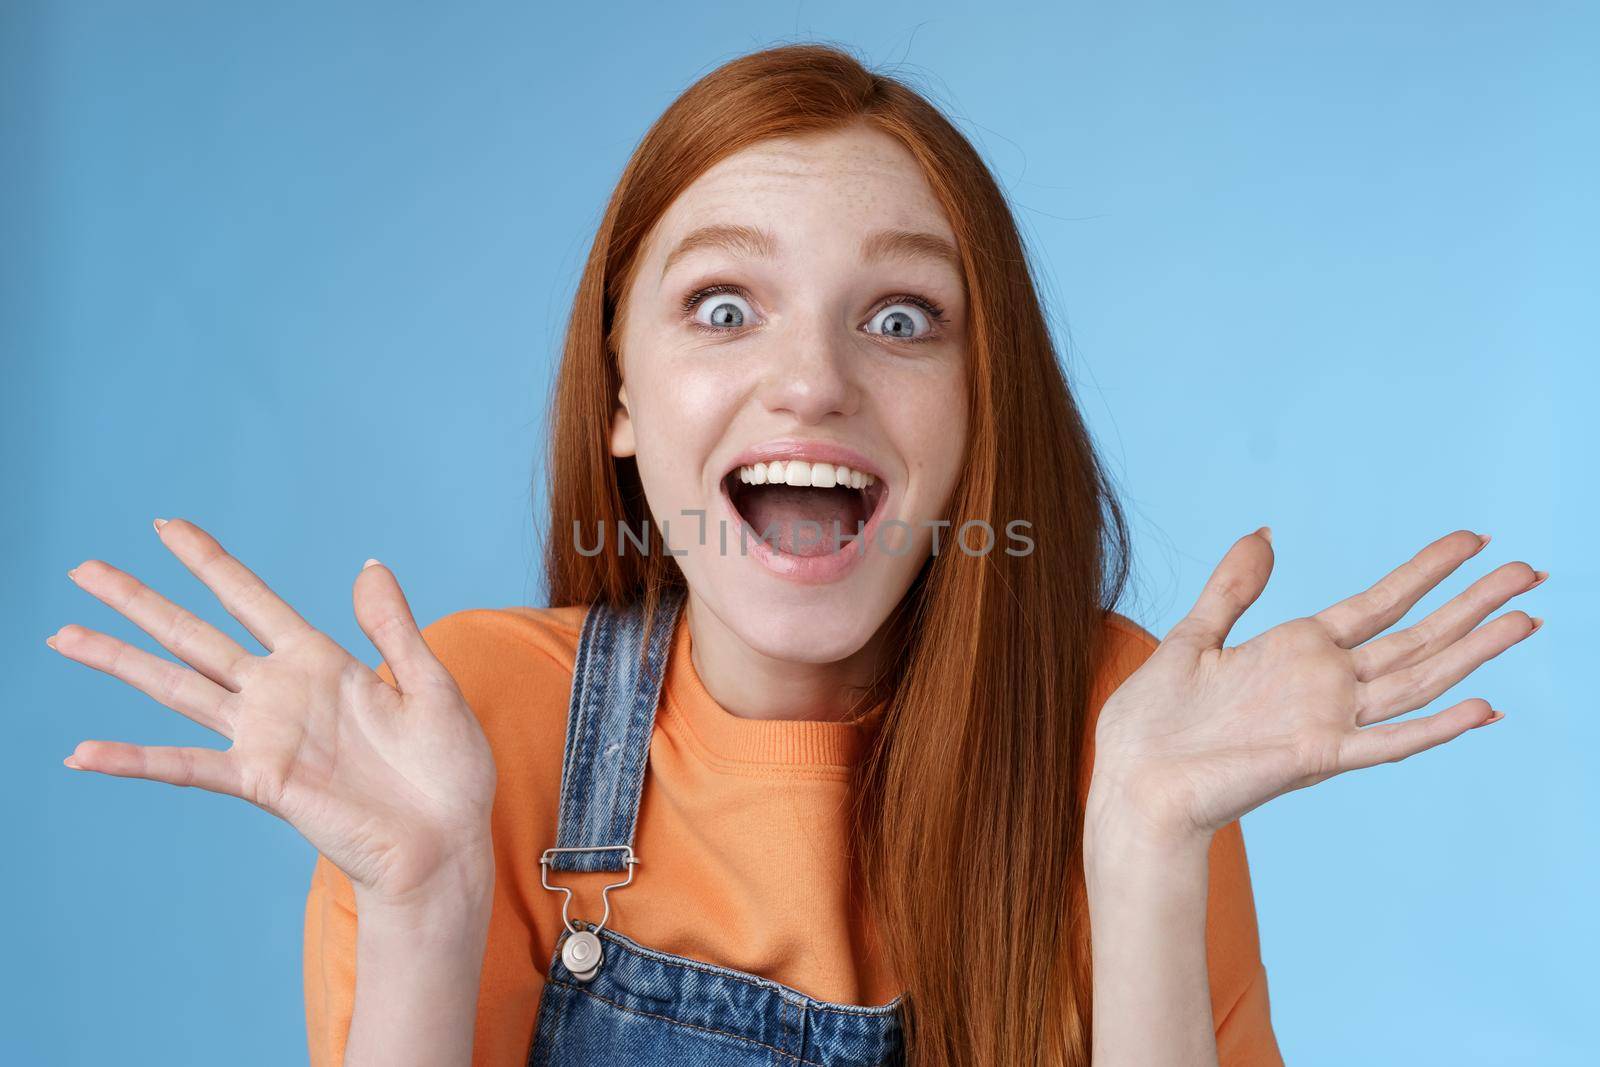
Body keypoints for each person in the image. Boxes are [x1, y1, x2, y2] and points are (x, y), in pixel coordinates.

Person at [50, 43, 1545, 1067]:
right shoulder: (463, 739)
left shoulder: (1129, 733)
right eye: (723, 307)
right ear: (624, 397)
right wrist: (428, 901)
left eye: (902, 319)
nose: (815, 381)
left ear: (980, 407)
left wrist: (1146, 848)